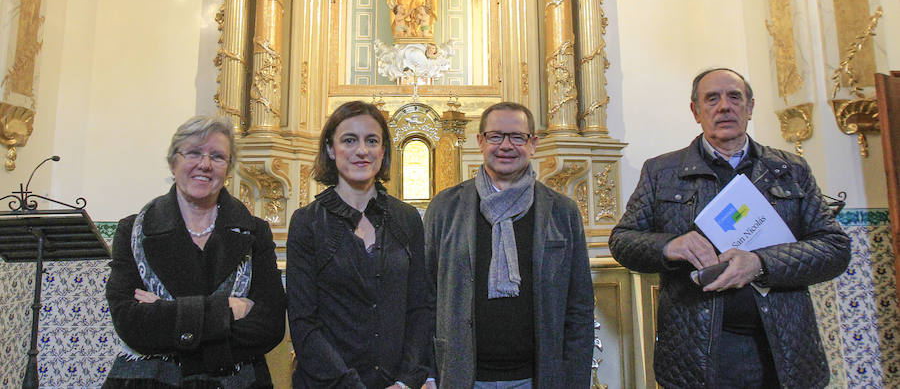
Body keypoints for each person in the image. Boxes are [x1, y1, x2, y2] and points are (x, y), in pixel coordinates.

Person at [609, 68, 851, 389]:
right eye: (712, 98)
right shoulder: (662, 171)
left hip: (784, 348)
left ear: (750, 107)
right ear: (696, 111)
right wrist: (670, 246)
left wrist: (761, 263)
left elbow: (835, 248)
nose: (724, 106)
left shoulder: (789, 170)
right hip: (697, 351)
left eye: (734, 97)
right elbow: (623, 242)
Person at [104, 116, 286, 388]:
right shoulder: (133, 230)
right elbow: (131, 325)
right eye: (193, 153)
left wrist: (167, 313)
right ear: (173, 162)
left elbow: (269, 327)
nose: (205, 164)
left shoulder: (254, 232)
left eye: (217, 156)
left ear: (228, 168)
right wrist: (227, 308)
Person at [424, 102, 594, 388]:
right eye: (495, 136)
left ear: (533, 144)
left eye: (517, 137)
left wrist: (575, 379)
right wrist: (427, 373)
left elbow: (579, 306)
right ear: (480, 142)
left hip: (537, 376)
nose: (506, 145)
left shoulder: (561, 211)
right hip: (461, 375)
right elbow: (426, 297)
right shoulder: (446, 207)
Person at [287, 101, 431, 388]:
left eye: (372, 141)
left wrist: (406, 381)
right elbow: (304, 322)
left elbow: (419, 308)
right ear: (330, 149)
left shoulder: (408, 219)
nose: (362, 151)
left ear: (383, 150)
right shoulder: (307, 222)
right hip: (327, 383)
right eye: (349, 140)